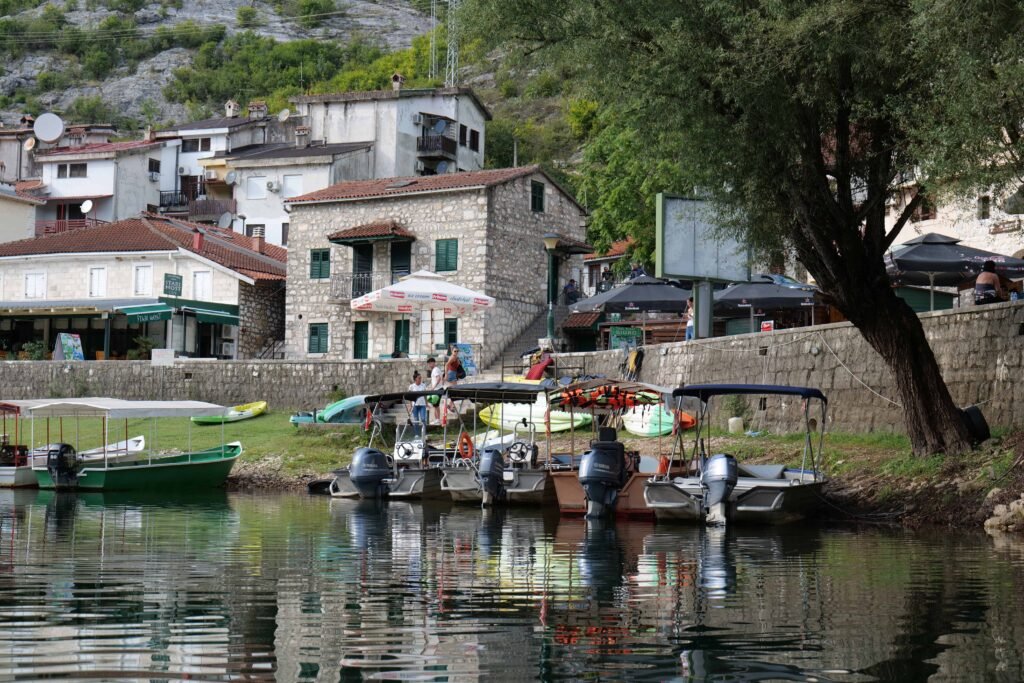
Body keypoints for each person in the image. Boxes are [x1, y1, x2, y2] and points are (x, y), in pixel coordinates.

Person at [408, 370, 428, 439]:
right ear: (415, 379)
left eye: (420, 378)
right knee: (416, 420)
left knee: (423, 419)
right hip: (415, 405)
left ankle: (424, 434)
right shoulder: (411, 386)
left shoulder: (423, 385)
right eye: (419, 378)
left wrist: (427, 403)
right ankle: (416, 434)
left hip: (422, 404)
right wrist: (410, 405)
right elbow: (410, 397)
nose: (420, 379)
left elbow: (425, 395)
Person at [426, 356, 443, 423]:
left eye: (430, 363)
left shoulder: (435, 369)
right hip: (437, 389)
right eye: (429, 363)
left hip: (437, 389)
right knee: (435, 405)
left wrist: (433, 388)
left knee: (436, 405)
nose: (429, 365)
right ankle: (437, 419)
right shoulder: (435, 369)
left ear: (433, 363)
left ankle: (437, 419)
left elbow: (438, 378)